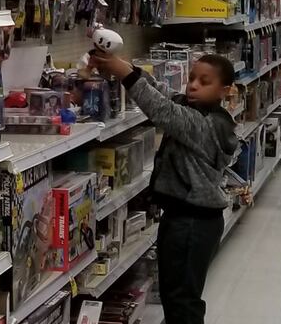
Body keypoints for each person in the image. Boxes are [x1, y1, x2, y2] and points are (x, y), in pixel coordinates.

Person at [90, 52, 238, 324]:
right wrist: (125, 65)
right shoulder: (196, 109)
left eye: (204, 81)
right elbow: (164, 95)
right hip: (186, 218)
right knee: (176, 296)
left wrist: (126, 74)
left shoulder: (207, 124)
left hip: (192, 223)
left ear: (224, 90)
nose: (193, 85)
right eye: (192, 78)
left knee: (182, 300)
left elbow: (163, 111)